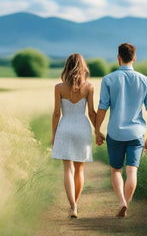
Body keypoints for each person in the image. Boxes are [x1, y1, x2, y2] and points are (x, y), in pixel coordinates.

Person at [95, 43, 147, 217]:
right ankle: (126, 204)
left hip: (115, 133)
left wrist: (97, 130)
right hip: (136, 133)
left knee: (116, 170)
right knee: (132, 171)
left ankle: (121, 201)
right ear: (134, 58)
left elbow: (102, 108)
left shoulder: (108, 79)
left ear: (118, 58)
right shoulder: (145, 80)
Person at [51, 53, 96, 218]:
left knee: (67, 170)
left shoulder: (59, 88)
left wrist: (53, 134)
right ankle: (75, 205)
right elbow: (91, 112)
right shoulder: (89, 87)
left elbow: (56, 114)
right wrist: (98, 130)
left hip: (65, 127)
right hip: (82, 128)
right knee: (79, 169)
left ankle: (73, 206)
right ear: (83, 67)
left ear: (67, 67)